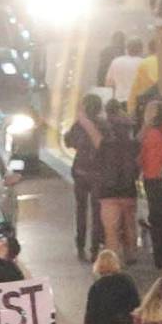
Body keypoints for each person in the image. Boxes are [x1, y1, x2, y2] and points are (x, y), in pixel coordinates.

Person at [91, 115, 140, 264]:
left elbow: (90, 129)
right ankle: (130, 254)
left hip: (108, 192)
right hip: (128, 191)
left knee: (111, 231)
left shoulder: (103, 144)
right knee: (129, 225)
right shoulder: (134, 145)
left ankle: (113, 261)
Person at [64, 95, 104, 262]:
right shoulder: (103, 125)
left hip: (80, 171)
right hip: (98, 173)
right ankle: (95, 248)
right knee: (97, 212)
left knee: (81, 209)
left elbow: (68, 142)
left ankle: (80, 244)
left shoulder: (79, 125)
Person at [103, 37, 151, 108]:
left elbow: (108, 84)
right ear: (141, 49)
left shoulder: (116, 61)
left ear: (127, 48)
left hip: (118, 102)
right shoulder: (144, 63)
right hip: (136, 103)